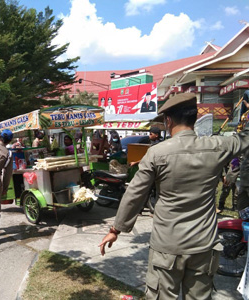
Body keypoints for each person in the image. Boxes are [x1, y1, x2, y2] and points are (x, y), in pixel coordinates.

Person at [99, 93, 249, 299]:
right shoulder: (217, 147)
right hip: (204, 244)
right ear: (194, 118)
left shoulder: (156, 153)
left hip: (167, 246)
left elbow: (135, 194)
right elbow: (245, 139)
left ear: (168, 120)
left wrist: (116, 229)